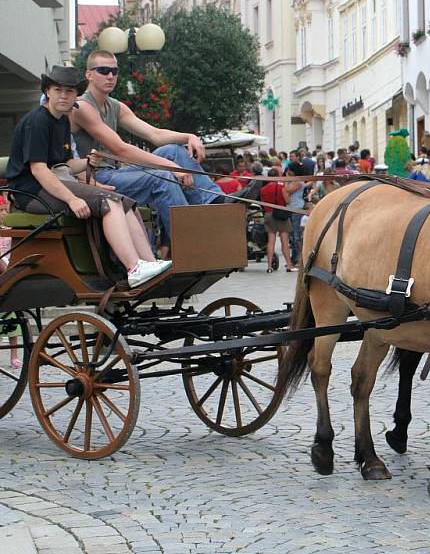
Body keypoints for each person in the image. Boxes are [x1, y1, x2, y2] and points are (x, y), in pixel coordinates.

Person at [70, 50, 259, 245]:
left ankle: (215, 202)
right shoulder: (83, 107)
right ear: (89, 75)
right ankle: (191, 243)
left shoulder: (115, 106)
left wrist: (189, 136)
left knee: (174, 150)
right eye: (103, 70)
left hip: (114, 173)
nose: (110, 76)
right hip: (93, 178)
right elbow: (121, 149)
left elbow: (155, 134)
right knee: (164, 178)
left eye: (114, 71)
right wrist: (170, 167)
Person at [6, 65, 170, 288]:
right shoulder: (38, 121)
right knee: (108, 202)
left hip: (50, 184)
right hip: (30, 193)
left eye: (70, 91)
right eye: (58, 90)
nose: (64, 95)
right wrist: (72, 199)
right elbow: (39, 170)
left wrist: (88, 162)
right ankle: (134, 268)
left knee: (124, 202)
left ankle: (149, 264)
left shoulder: (62, 120)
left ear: (76, 94)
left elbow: (65, 164)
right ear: (47, 91)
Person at [259, 168, 296, 273]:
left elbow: (263, 203)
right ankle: (289, 265)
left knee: (271, 242)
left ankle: (269, 266)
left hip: (269, 215)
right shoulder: (281, 187)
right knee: (284, 241)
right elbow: (287, 201)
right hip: (281, 214)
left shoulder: (263, 189)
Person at [0, 195, 21, 369]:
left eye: (4, 210)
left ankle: (14, 355)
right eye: (0, 211)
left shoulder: (10, 229)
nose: (3, 214)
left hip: (10, 269)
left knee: (12, 322)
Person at [283, 161, 307, 268]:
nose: (288, 172)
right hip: (293, 209)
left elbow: (288, 190)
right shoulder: (295, 180)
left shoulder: (298, 181)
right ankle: (294, 258)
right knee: (293, 236)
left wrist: (286, 180)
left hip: (297, 209)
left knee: (296, 236)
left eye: (289, 170)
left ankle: (298, 258)